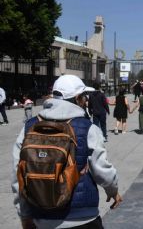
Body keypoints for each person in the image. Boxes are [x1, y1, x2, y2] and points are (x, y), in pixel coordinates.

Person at [11, 74, 122, 229]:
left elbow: (18, 175)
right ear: (77, 99)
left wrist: (25, 214)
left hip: (42, 216)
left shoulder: (29, 127)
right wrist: (113, 190)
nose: (86, 100)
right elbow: (102, 170)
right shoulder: (88, 128)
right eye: (84, 96)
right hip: (82, 217)